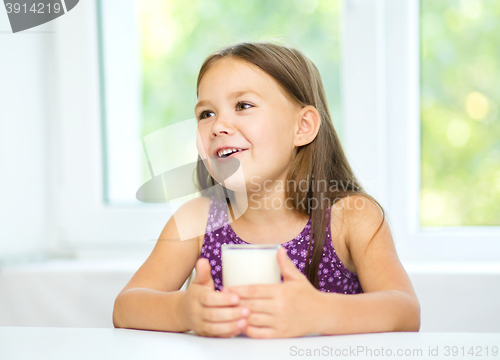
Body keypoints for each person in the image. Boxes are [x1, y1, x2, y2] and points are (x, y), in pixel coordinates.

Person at [113, 41, 420, 339]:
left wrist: (320, 312)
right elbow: (125, 308)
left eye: (243, 105)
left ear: (302, 127)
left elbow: (405, 311)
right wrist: (183, 311)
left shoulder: (352, 218)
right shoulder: (197, 219)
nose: (218, 125)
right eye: (206, 113)